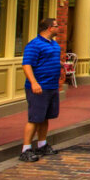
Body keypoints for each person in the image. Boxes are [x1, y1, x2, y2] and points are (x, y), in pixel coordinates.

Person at [20, 17, 64, 162]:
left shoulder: (54, 44)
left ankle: (42, 144)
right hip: (39, 87)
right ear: (49, 28)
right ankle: (26, 149)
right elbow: (27, 65)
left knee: (45, 117)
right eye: (56, 26)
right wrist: (34, 83)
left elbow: (50, 60)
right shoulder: (34, 45)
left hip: (52, 86)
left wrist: (61, 65)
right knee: (34, 118)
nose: (59, 28)